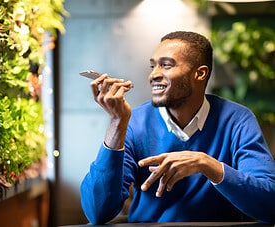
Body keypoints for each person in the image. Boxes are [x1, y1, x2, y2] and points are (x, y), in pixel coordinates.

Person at [80, 31, 275, 224]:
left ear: (200, 73)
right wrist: (116, 122)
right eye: (153, 66)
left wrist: (207, 165)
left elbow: (270, 203)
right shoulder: (133, 122)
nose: (153, 74)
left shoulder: (237, 120)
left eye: (166, 65)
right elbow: (98, 212)